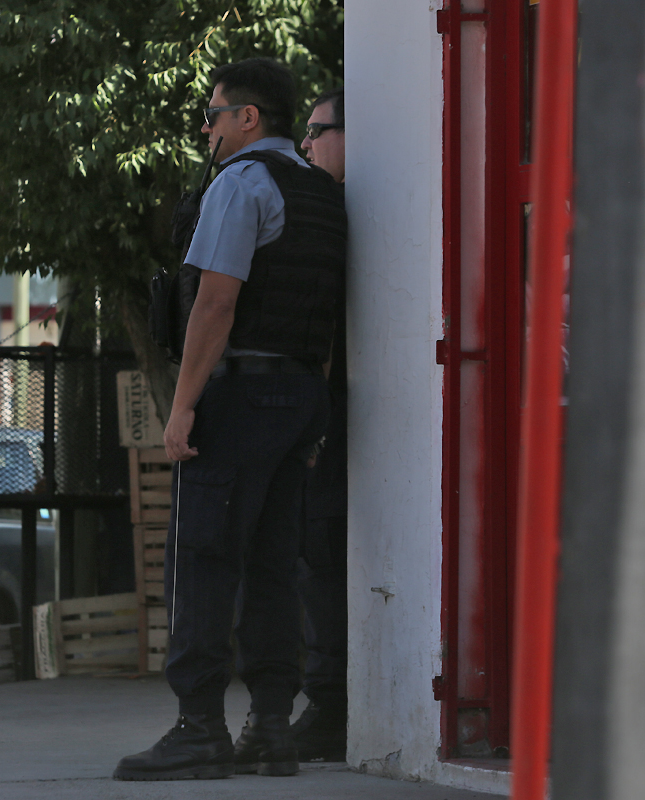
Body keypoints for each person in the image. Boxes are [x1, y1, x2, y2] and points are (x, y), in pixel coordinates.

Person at [114, 58, 347, 781]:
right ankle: (270, 728)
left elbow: (215, 304)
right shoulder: (322, 193)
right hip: (302, 394)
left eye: (213, 115)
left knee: (205, 558)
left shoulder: (242, 184)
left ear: (248, 119)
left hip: (240, 393)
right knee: (275, 565)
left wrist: (182, 406)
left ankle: (199, 728)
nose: (207, 129)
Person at [291, 89, 348, 762]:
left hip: (338, 415)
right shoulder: (331, 209)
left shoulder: (339, 213)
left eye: (318, 132)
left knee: (323, 555)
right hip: (334, 410)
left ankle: (330, 699)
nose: (308, 146)